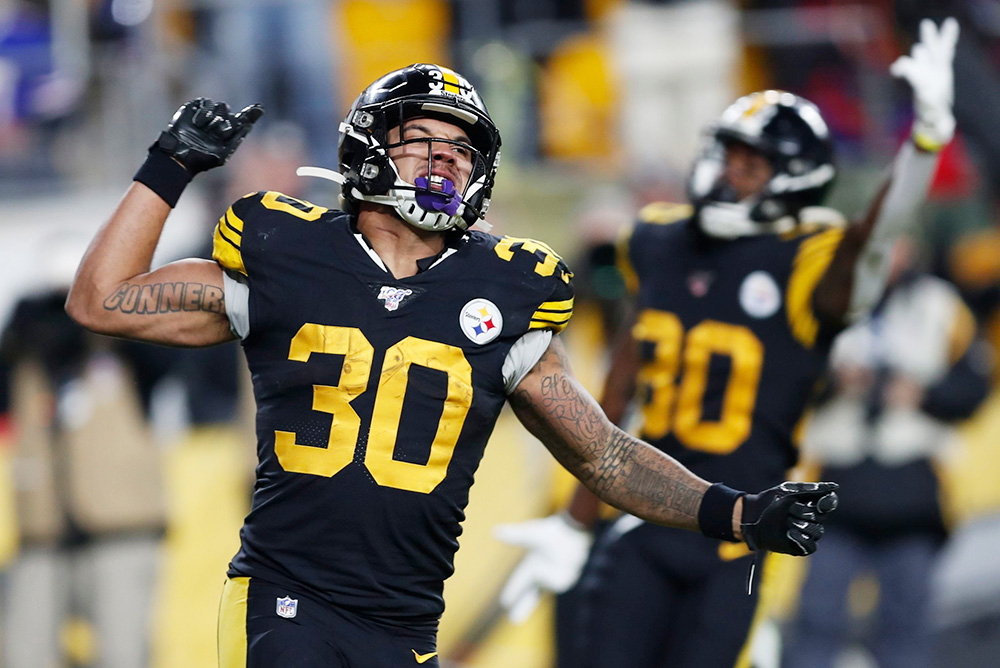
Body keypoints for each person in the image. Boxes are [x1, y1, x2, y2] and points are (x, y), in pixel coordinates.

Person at [64, 63, 837, 667]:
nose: (445, 158)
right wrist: (171, 164)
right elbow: (100, 301)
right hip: (285, 596)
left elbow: (603, 453)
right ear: (369, 145)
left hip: (406, 622)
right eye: (424, 139)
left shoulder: (507, 288)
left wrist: (736, 511)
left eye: (461, 148)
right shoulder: (286, 253)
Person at [494, 17, 959, 668]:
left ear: (793, 179)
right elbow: (618, 389)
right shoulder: (659, 238)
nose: (725, 175)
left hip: (739, 535)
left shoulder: (807, 261)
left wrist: (922, 147)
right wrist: (576, 521)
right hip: (642, 519)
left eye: (749, 165)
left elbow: (871, 244)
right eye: (725, 156)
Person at [782, 238, 990, 668]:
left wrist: (920, 393)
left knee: (906, 625)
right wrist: (837, 382)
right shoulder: (826, 300)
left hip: (911, 488)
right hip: (836, 483)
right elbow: (786, 380)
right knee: (818, 620)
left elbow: (975, 388)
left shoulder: (941, 305)